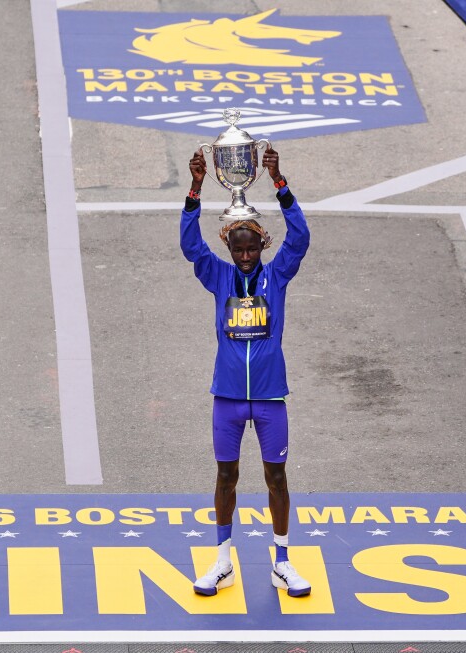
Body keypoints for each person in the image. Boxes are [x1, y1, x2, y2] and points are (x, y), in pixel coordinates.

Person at [181, 146, 312, 598]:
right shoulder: (218, 277)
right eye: (237, 248)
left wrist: (280, 182)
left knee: (276, 477)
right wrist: (195, 188)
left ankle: (282, 562)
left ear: (263, 246)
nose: (245, 255)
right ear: (229, 248)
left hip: (271, 397)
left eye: (252, 247)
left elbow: (301, 238)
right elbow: (189, 246)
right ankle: (222, 562)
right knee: (226, 476)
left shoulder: (277, 277)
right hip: (229, 397)